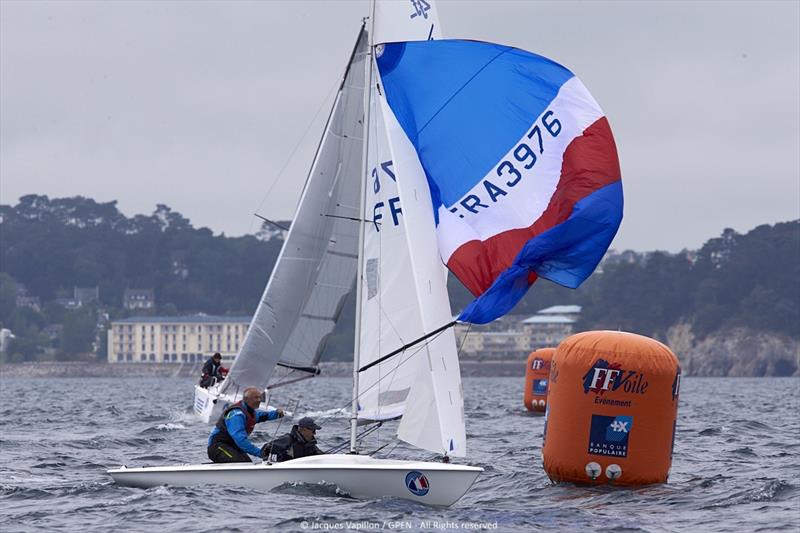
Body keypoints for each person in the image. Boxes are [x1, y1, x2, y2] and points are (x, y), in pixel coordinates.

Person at [207, 387, 284, 463]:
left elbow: (263, 416)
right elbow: (240, 440)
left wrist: (277, 414)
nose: (259, 400)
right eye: (256, 398)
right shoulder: (236, 415)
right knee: (243, 463)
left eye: (260, 398)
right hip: (218, 447)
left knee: (247, 462)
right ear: (246, 399)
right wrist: (260, 453)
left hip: (231, 446)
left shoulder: (250, 412)